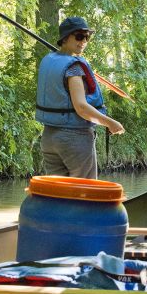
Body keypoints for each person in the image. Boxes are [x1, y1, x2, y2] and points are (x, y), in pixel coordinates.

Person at [36, 16, 125, 179]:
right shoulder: (74, 68)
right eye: (78, 36)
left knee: (59, 195)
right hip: (74, 140)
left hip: (49, 138)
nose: (83, 40)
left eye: (86, 37)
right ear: (65, 38)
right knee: (84, 193)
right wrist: (109, 122)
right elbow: (81, 107)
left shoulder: (49, 60)